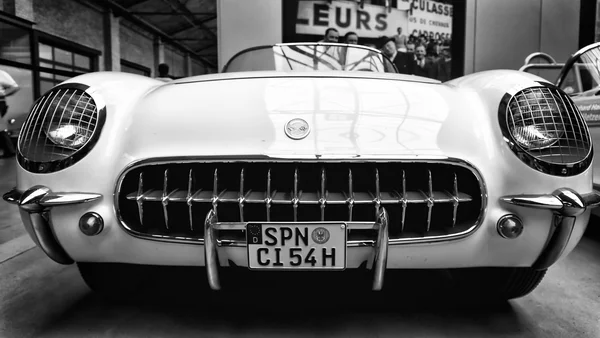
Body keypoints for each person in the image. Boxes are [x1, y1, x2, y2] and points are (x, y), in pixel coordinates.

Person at [0, 69, 19, 158]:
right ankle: (9, 150)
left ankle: (10, 150)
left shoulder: (1, 73)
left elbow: (14, 87)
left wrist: (2, 93)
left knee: (0, 127)